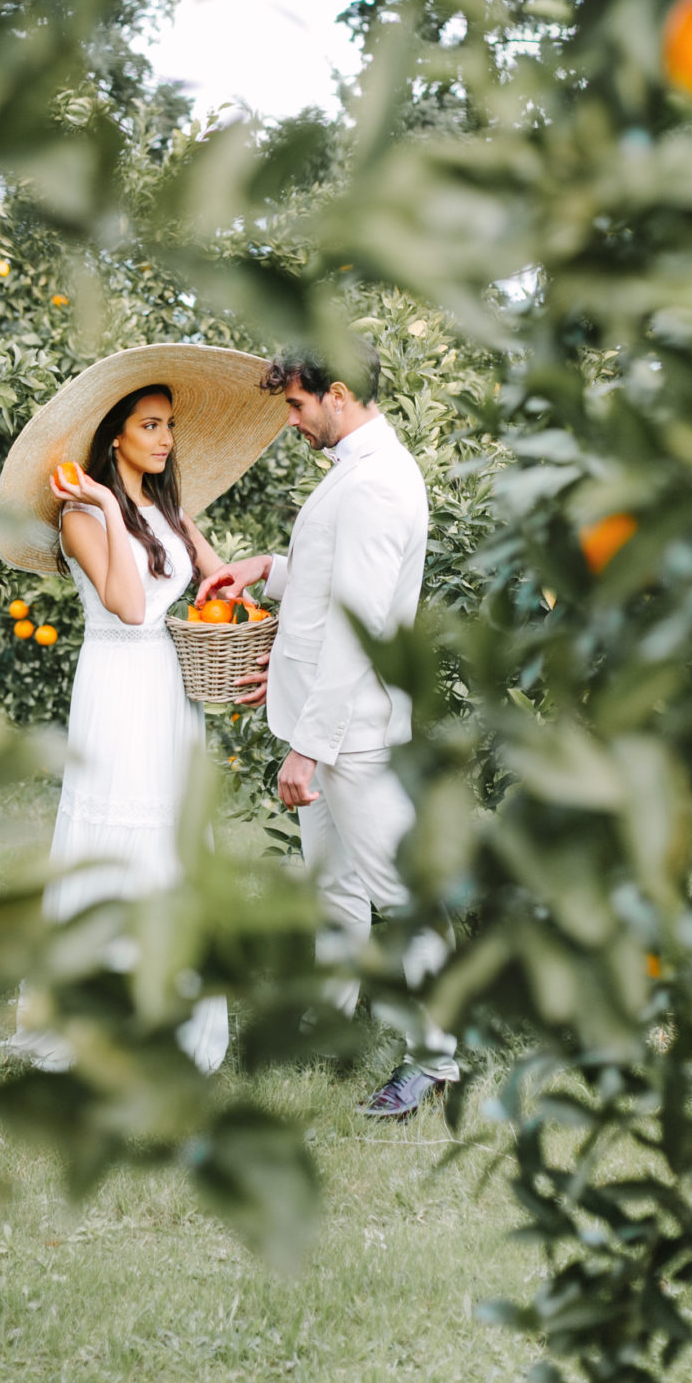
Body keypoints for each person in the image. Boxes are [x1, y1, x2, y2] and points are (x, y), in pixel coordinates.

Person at [0, 345, 287, 1075]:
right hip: (119, 683)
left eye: (170, 426)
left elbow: (215, 577)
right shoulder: (79, 519)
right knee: (117, 831)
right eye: (151, 425)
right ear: (115, 434)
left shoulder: (167, 508)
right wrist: (98, 504)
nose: (166, 439)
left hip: (170, 682)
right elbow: (127, 606)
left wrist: (233, 600)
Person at [197, 340, 459, 1119]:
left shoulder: (379, 483)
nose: (292, 420)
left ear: (337, 395)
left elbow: (357, 624)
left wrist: (308, 749)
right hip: (328, 721)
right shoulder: (358, 472)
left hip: (354, 733)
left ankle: (438, 1057)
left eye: (296, 405)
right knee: (335, 889)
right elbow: (329, 575)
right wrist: (265, 569)